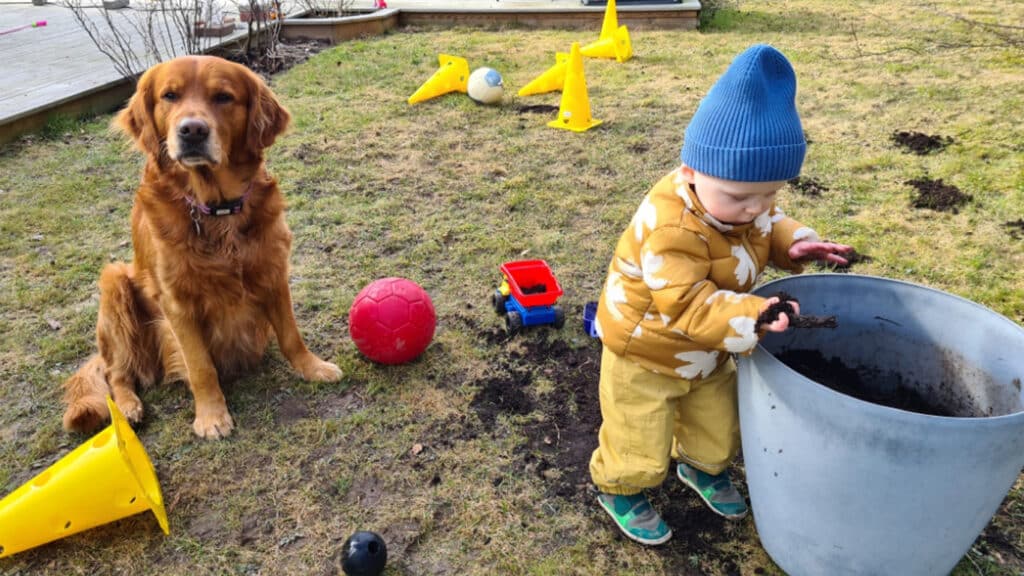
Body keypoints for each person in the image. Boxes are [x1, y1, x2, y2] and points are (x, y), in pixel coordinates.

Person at [589, 44, 853, 545]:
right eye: (740, 197)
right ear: (690, 171)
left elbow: (767, 224)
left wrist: (795, 242)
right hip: (646, 351)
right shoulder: (671, 228)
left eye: (770, 193)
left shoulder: (740, 201)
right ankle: (621, 488)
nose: (755, 208)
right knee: (639, 433)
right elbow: (688, 305)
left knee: (718, 423)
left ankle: (701, 465)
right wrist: (756, 315)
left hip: (709, 347)